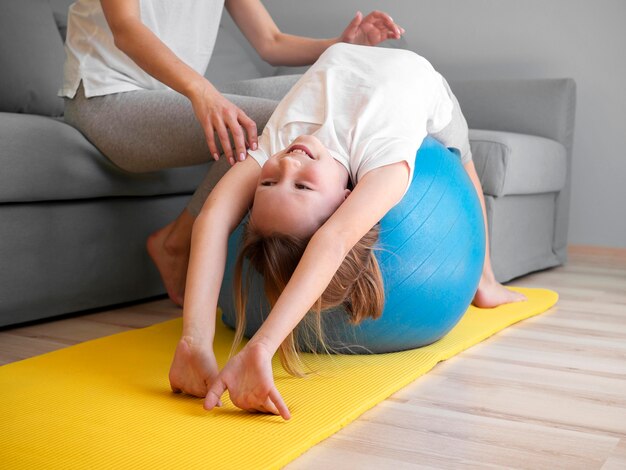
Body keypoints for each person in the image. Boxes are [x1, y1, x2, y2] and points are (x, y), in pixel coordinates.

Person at [168, 43, 527, 420]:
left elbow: (211, 217)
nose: (288, 166)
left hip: (355, 56)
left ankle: (484, 280)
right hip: (424, 80)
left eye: (267, 182)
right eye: (302, 187)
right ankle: (484, 279)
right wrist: (261, 347)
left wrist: (196, 338)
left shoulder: (278, 145)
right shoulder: (385, 159)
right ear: (346, 200)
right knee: (465, 159)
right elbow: (334, 239)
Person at [59, 0, 405, 306]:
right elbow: (126, 29)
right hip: (108, 102)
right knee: (276, 123)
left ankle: (176, 238)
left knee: (317, 93)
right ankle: (178, 241)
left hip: (173, 96)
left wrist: (339, 46)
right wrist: (203, 92)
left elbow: (271, 42)